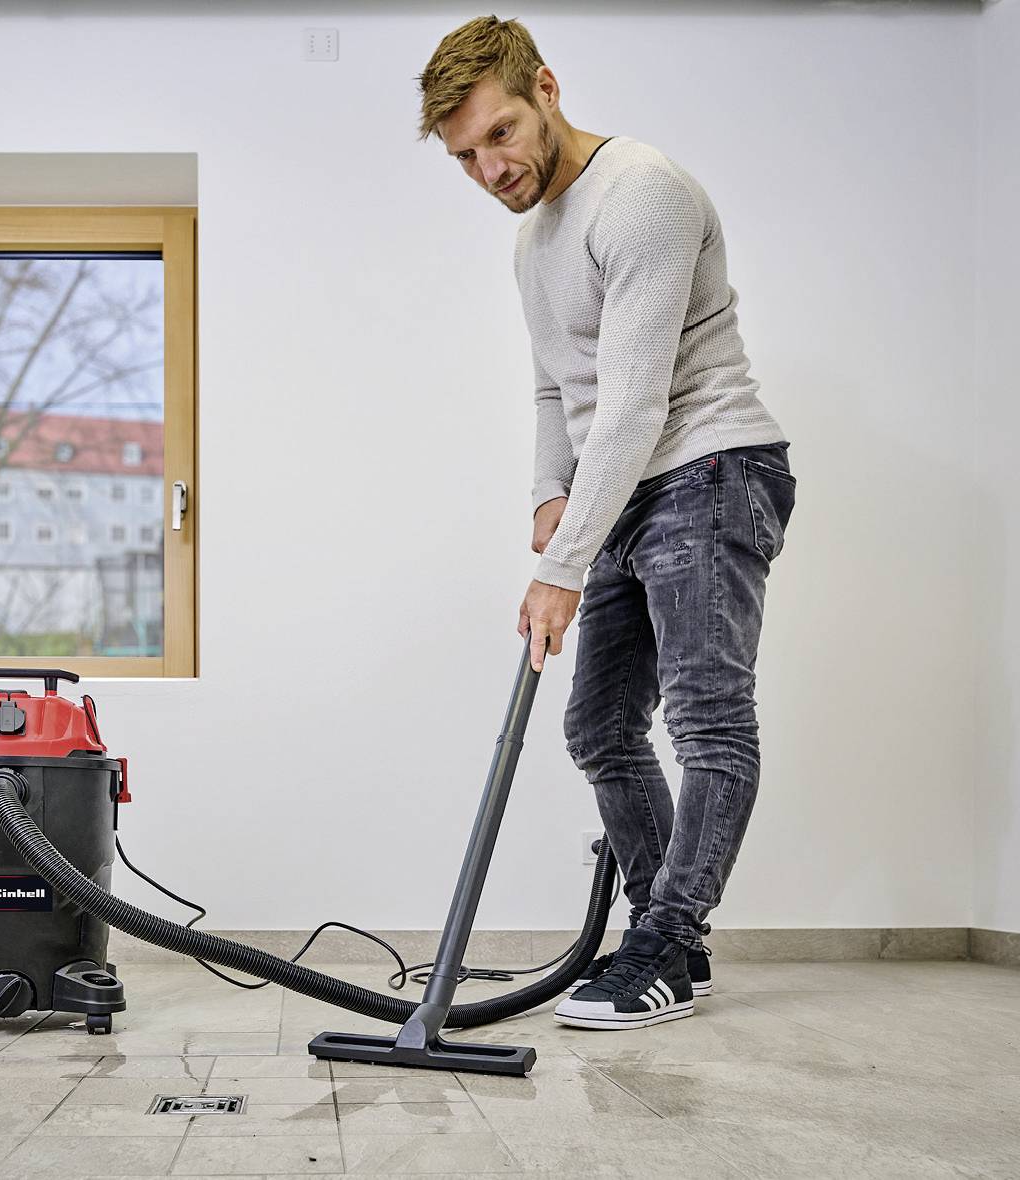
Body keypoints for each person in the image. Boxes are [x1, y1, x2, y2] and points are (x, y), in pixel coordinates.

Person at [418, 16, 797, 1030]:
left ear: (544, 87)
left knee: (705, 718)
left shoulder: (639, 194)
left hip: (709, 467)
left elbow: (630, 403)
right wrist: (549, 503)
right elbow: (557, 391)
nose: (488, 168)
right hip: (624, 485)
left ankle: (667, 941)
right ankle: (658, 930)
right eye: (464, 156)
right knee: (597, 726)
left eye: (499, 134)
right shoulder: (529, 240)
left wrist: (559, 566)